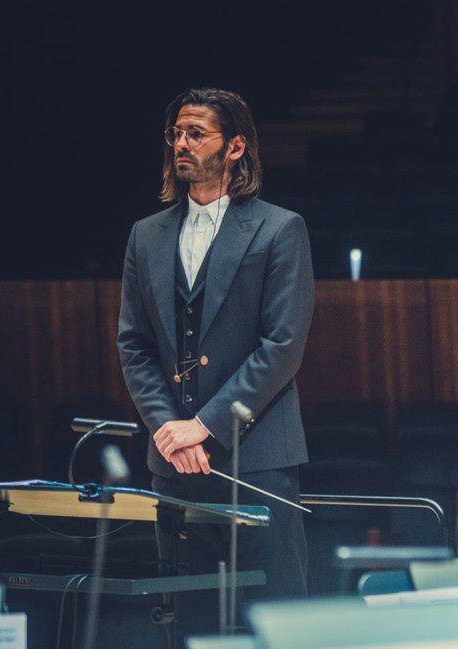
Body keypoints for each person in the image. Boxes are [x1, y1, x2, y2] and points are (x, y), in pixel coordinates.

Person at [117, 87, 314, 604]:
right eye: (176, 133)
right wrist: (168, 430)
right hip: (174, 466)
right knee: (184, 621)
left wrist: (203, 426)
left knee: (272, 618)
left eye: (196, 134)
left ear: (234, 147)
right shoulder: (145, 235)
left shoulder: (280, 229)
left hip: (258, 462)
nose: (181, 143)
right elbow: (134, 345)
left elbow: (283, 346)